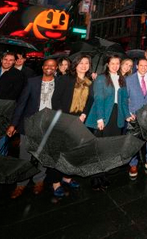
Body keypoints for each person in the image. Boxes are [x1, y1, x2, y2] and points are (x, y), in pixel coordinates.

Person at [7, 58, 70, 199]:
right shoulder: (32, 82)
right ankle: (21, 184)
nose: (49, 68)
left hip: (49, 124)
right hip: (31, 122)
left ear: (56, 69)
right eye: (47, 65)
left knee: (44, 154)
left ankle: (39, 180)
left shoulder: (60, 83)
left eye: (52, 66)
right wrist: (13, 124)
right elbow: (21, 104)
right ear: (42, 67)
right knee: (25, 154)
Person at [44, 55, 95, 199]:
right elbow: (56, 100)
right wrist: (65, 119)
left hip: (79, 121)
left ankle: (66, 177)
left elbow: (89, 101)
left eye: (86, 63)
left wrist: (84, 114)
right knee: (59, 152)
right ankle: (55, 182)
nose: (84, 65)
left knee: (71, 152)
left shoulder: (89, 82)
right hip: (63, 120)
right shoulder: (66, 79)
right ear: (75, 65)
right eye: (81, 63)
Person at [86, 55, 129, 190]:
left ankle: (104, 174)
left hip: (116, 115)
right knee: (99, 147)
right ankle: (95, 177)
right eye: (113, 63)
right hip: (104, 114)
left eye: (117, 63)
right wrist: (100, 118)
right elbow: (98, 98)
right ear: (108, 65)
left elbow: (122, 101)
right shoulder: (101, 78)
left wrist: (127, 115)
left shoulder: (122, 79)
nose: (115, 66)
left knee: (110, 147)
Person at [125, 58, 147, 179]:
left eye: (146, 65)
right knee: (133, 140)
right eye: (141, 65)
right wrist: (128, 113)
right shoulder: (129, 79)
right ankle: (133, 164)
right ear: (137, 66)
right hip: (134, 115)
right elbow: (125, 98)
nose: (143, 68)